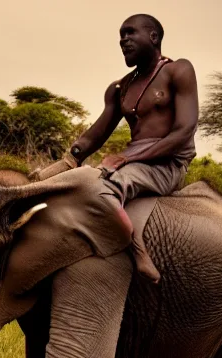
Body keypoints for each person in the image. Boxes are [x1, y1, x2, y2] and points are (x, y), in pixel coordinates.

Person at [33, 14, 199, 283]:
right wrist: (62, 166)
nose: (123, 41)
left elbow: (184, 132)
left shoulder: (178, 70)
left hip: (167, 164)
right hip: (134, 162)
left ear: (153, 37)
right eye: (121, 36)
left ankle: (138, 252)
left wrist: (127, 158)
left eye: (130, 33)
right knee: (73, 183)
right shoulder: (120, 88)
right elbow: (95, 136)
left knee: (101, 187)